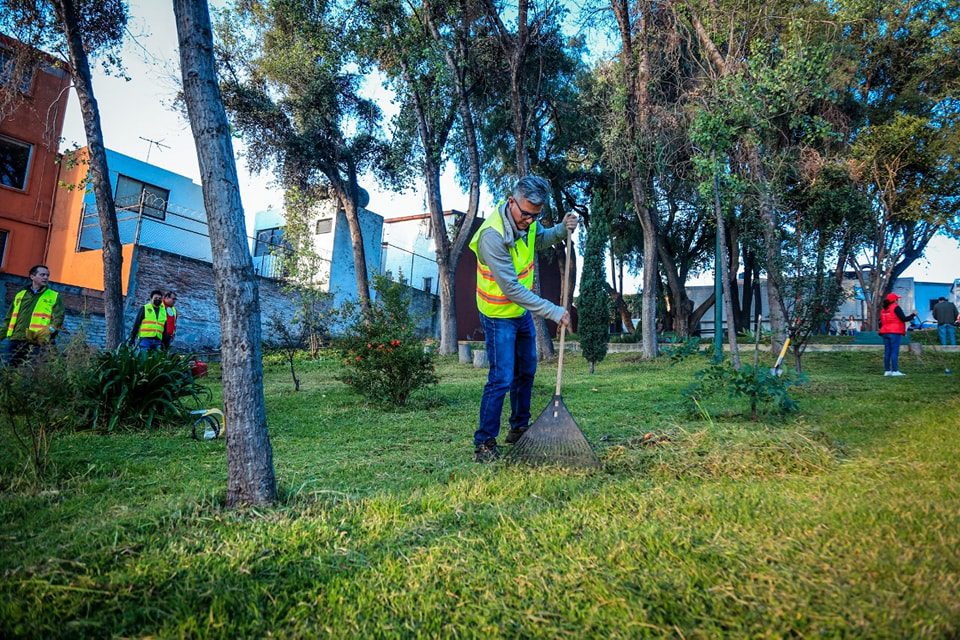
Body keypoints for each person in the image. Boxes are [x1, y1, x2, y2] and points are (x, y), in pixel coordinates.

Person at [469, 175, 578, 462]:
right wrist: (553, 311)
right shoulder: (492, 236)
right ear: (511, 202)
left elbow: (539, 238)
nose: (529, 221)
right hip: (497, 314)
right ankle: (484, 443)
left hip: (519, 313)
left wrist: (561, 229)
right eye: (526, 214)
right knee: (501, 378)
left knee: (527, 371)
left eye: (536, 215)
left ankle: (518, 429)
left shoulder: (528, 223)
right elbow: (512, 289)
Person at [1, 265, 64, 366]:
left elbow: (58, 319)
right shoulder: (20, 295)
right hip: (16, 339)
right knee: (9, 370)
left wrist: (48, 331)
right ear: (32, 276)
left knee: (30, 373)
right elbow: (9, 318)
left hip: (36, 342)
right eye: (42, 274)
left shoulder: (54, 296)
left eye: (47, 275)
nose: (46, 277)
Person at [878, 292, 916, 377]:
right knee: (894, 352)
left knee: (887, 352)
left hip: (885, 332)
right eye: (897, 299)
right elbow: (904, 319)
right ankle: (895, 371)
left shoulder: (883, 310)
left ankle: (887, 371)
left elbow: (880, 322)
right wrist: (913, 315)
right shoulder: (896, 307)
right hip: (894, 332)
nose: (898, 300)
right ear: (895, 300)